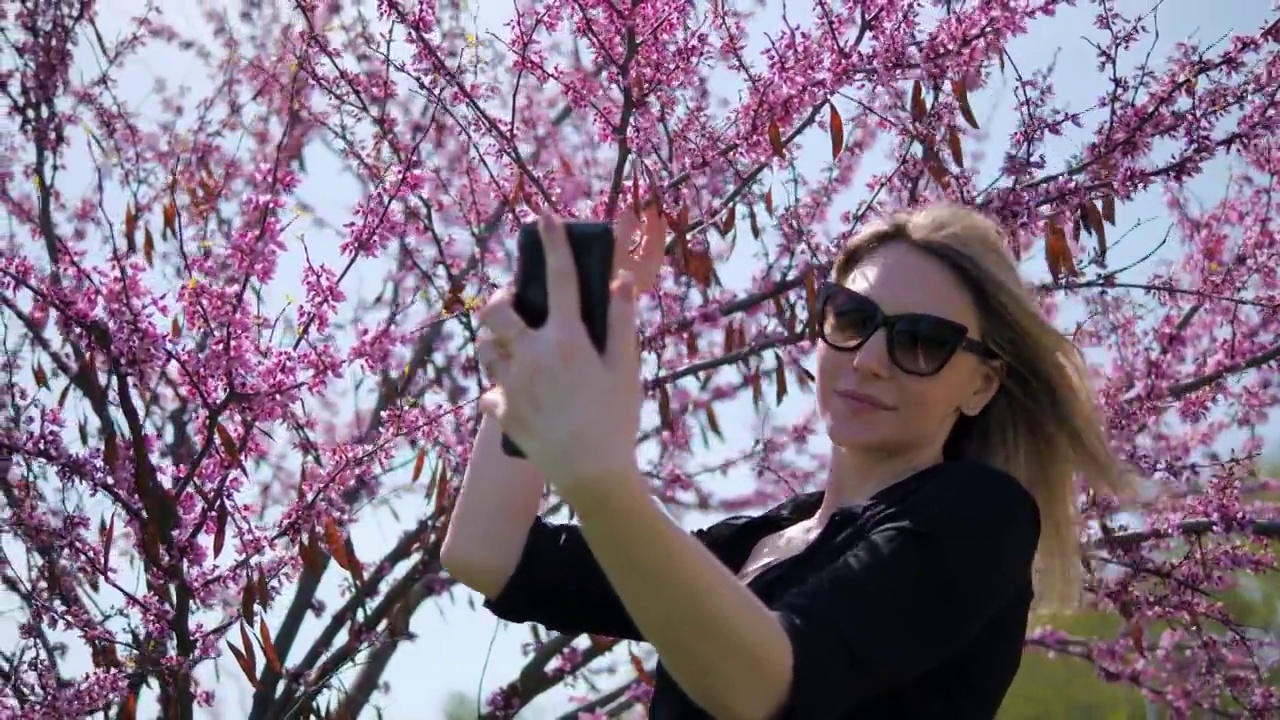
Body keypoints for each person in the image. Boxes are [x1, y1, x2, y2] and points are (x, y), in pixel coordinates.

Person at [441, 203, 1132, 720]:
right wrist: (553, 344)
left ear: (982, 383)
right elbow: (488, 552)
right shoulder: (755, 545)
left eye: (921, 342)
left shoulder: (981, 516)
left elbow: (770, 680)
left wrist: (601, 477)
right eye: (854, 319)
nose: (868, 361)